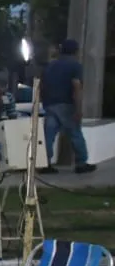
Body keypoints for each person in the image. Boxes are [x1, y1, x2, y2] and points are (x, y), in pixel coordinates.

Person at [40, 39, 96, 174]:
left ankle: (45, 163)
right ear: (76, 51)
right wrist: (78, 109)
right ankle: (81, 163)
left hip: (50, 104)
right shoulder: (75, 66)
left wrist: (45, 101)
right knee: (75, 133)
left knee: (48, 135)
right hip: (66, 104)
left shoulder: (50, 66)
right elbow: (76, 86)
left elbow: (42, 85)